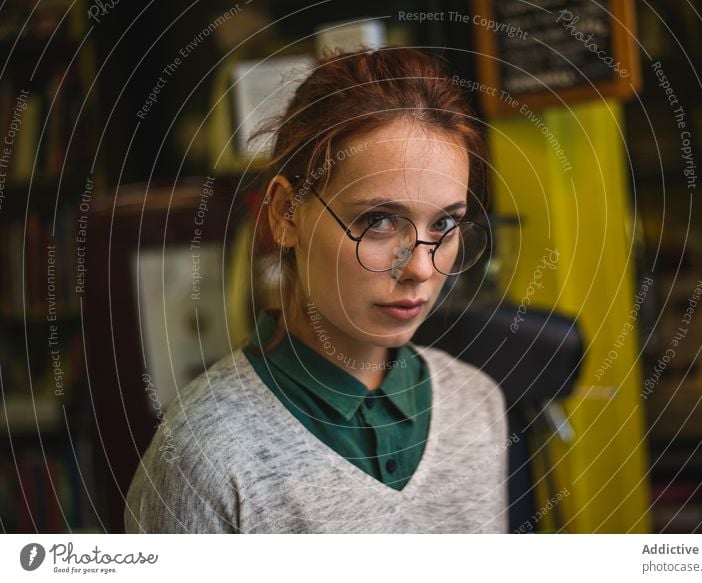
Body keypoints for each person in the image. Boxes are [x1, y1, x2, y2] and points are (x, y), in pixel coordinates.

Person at [124, 46, 509, 533]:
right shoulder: (203, 455)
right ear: (287, 214)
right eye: (379, 221)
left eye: (446, 223)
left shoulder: (477, 406)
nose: (418, 268)